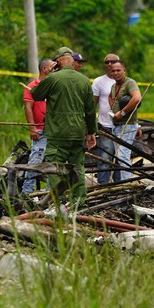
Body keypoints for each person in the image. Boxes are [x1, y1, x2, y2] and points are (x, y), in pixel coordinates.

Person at [30, 47, 97, 209]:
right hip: (77, 133)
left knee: (55, 168)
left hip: (57, 133)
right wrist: (91, 132)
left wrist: (47, 74)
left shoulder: (53, 79)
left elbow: (35, 94)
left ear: (58, 61)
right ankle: (79, 202)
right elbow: (90, 110)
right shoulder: (84, 80)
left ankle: (56, 202)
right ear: (72, 61)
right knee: (78, 168)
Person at [22, 59, 54, 194]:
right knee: (36, 160)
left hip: (54, 131)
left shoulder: (54, 87)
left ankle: (48, 194)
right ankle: (27, 192)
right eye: (53, 66)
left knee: (52, 162)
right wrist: (33, 127)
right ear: (44, 69)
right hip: (40, 130)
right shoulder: (33, 86)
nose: (56, 68)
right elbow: (28, 108)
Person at [108, 61, 141, 181]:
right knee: (119, 156)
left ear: (124, 70)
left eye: (118, 70)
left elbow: (137, 98)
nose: (116, 73)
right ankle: (123, 182)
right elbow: (111, 98)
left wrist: (122, 113)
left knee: (123, 156)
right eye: (113, 71)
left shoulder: (129, 83)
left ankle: (128, 185)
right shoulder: (114, 86)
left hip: (127, 125)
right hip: (116, 125)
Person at [92, 53, 121, 184]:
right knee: (105, 157)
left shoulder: (125, 81)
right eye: (107, 62)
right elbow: (93, 104)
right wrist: (90, 125)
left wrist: (136, 125)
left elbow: (133, 104)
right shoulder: (98, 81)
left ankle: (119, 185)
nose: (110, 64)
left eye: (113, 61)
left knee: (121, 158)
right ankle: (103, 186)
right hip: (105, 125)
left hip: (122, 126)